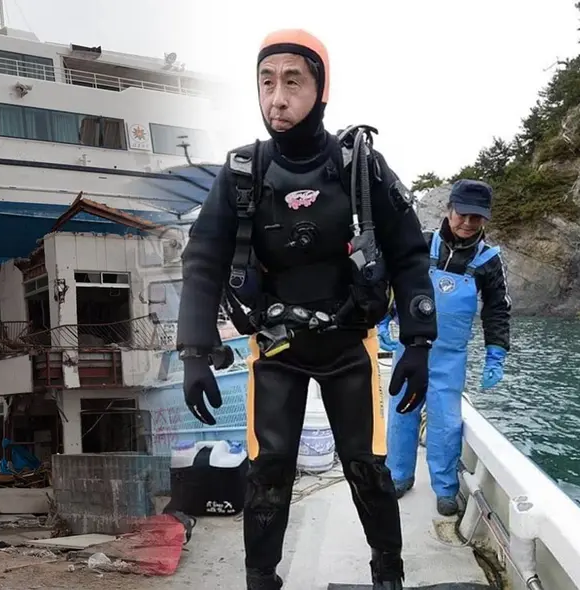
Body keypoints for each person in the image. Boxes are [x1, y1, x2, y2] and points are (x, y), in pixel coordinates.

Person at [176, 28, 438, 590]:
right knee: (267, 472)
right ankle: (260, 580)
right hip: (276, 349)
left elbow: (411, 252)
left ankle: (387, 576)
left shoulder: (359, 166)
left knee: (367, 469)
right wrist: (194, 351)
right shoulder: (243, 173)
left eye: (293, 81)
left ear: (321, 89)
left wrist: (418, 341)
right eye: (266, 83)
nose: (277, 98)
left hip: (349, 345)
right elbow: (201, 260)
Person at [387, 179, 511, 516]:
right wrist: (385, 319)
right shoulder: (422, 244)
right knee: (402, 412)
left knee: (446, 422)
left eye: (477, 218)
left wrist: (495, 352)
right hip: (409, 348)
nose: (469, 223)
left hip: (450, 358)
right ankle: (398, 475)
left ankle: (445, 487)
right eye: (463, 214)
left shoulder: (488, 260)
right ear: (449, 209)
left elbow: (497, 307)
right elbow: (394, 282)